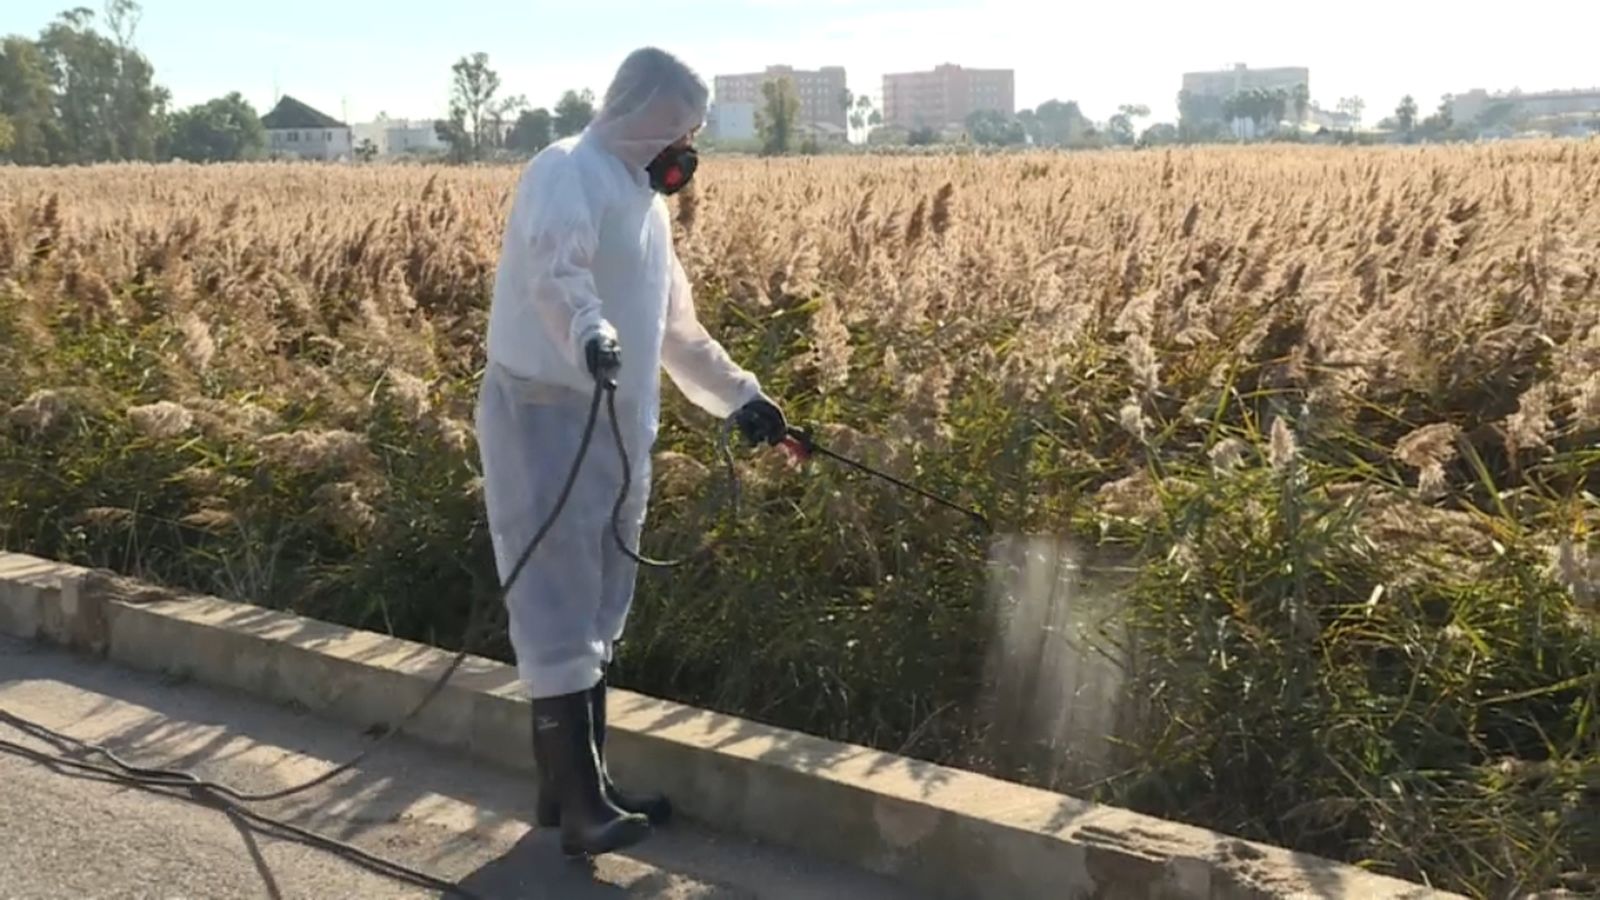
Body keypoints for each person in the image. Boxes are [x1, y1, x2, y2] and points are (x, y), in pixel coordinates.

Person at [474, 47, 788, 858]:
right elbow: (555, 271)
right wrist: (590, 332)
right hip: (547, 413)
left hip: (617, 422)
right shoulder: (566, 168)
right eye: (679, 124)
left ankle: (578, 788)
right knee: (556, 602)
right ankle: (579, 806)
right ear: (641, 111)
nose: (687, 142)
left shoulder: (644, 203)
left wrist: (745, 398)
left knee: (601, 597)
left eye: (694, 128)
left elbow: (676, 331)